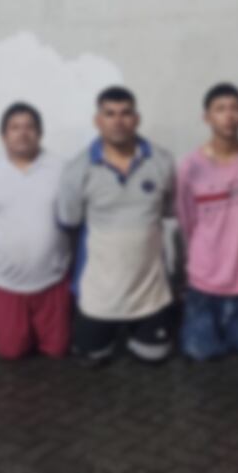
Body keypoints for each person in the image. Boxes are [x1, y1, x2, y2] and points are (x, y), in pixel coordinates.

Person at [57, 86, 176, 366]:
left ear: (137, 118)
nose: (118, 121)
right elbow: (70, 221)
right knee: (92, 360)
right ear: (97, 120)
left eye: (125, 113)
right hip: (99, 294)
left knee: (154, 358)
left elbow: (168, 210)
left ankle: (139, 332)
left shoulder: (162, 161)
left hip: (150, 293)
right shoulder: (77, 169)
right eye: (109, 114)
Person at [175, 83, 238, 361]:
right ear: (206, 117)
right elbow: (187, 220)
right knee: (199, 356)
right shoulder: (190, 167)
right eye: (220, 109)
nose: (228, 115)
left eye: (235, 108)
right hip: (206, 284)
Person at [0, 102, 71, 359]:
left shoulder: (63, 170)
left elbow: (74, 221)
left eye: (29, 127)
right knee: (10, 353)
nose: (22, 133)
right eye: (14, 127)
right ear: (3, 135)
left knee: (57, 351)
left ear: (40, 133)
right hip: (4, 281)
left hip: (53, 279)